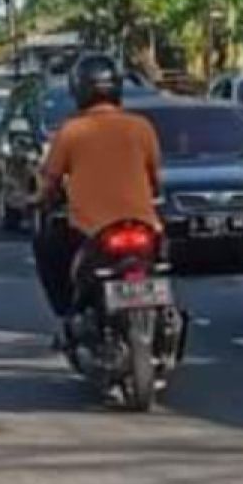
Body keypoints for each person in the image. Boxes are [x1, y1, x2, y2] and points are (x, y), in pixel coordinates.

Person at [32, 53, 161, 319]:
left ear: (78, 90)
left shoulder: (71, 131)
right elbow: (155, 180)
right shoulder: (142, 127)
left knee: (45, 245)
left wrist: (40, 199)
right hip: (143, 226)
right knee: (162, 262)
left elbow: (49, 183)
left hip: (90, 230)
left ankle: (67, 313)